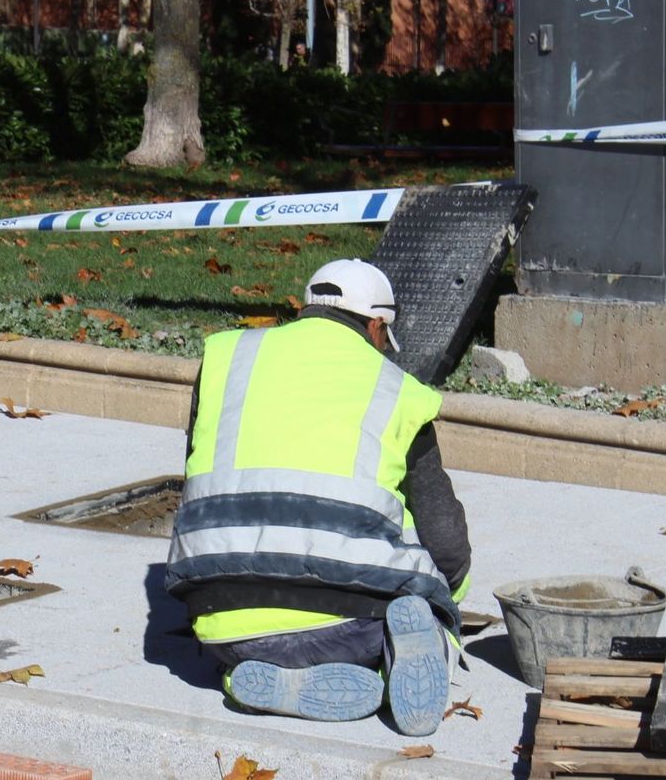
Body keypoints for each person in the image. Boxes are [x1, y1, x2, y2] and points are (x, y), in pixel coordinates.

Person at [165, 259, 471, 736]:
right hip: (354, 627)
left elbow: (197, 468)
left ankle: (247, 678)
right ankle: (402, 651)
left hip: (225, 618)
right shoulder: (397, 391)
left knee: (243, 645)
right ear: (376, 327)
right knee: (424, 593)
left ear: (308, 308)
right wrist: (447, 592)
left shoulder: (229, 357)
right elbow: (446, 540)